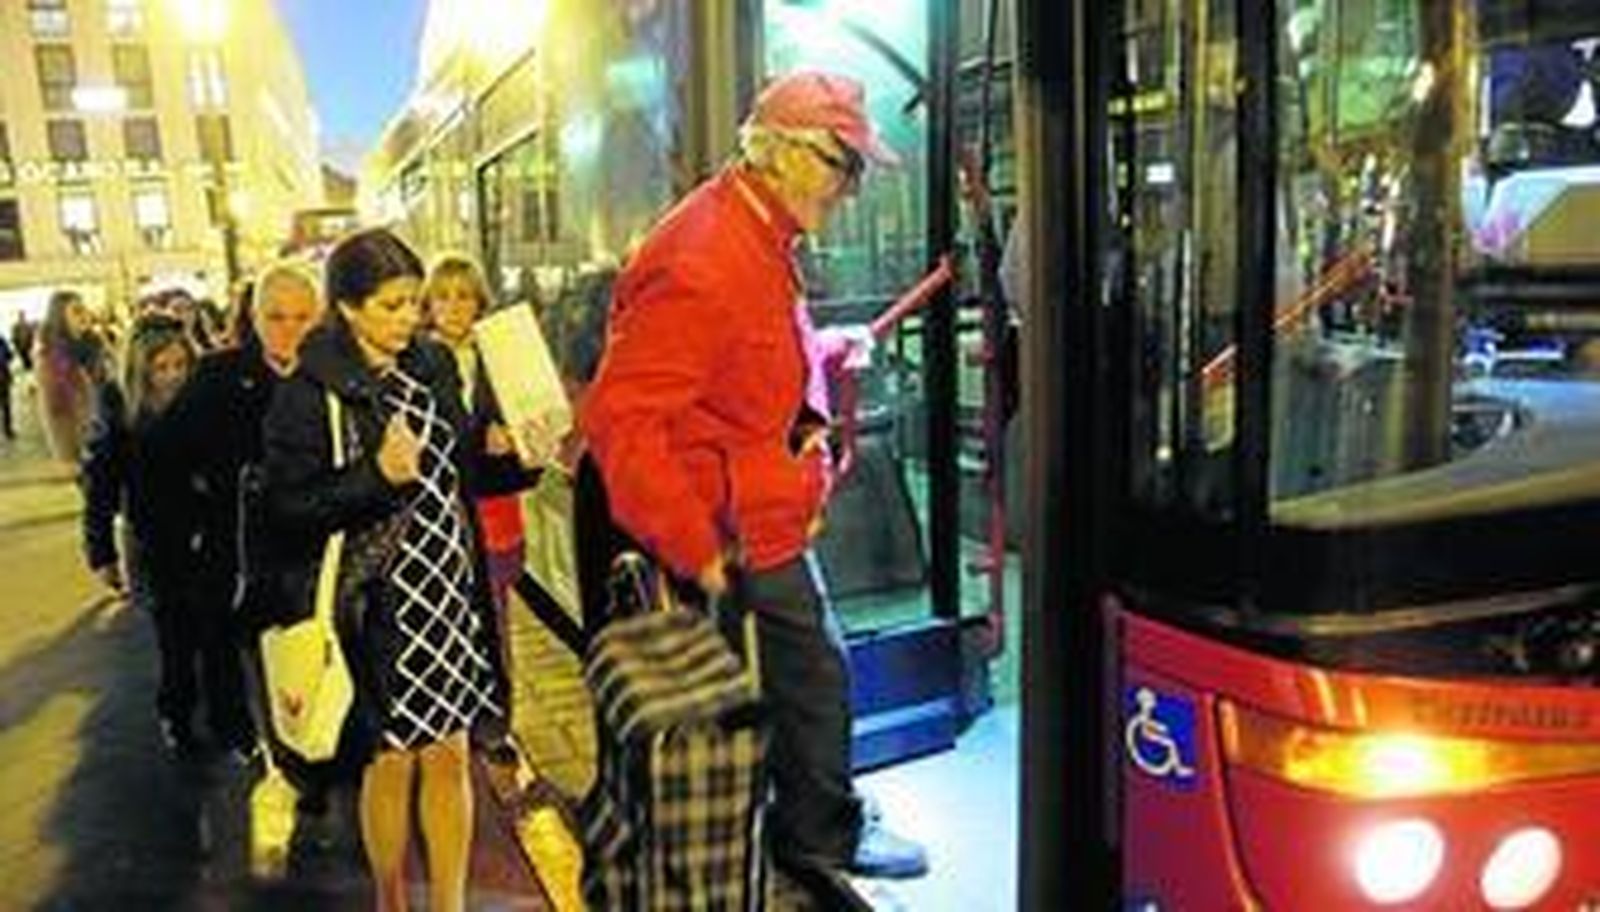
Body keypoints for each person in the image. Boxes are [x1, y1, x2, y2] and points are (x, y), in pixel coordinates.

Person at [581, 69, 929, 880]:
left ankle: (795, 817)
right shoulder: (705, 257)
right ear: (786, 153)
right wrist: (697, 548)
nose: (851, 188)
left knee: (799, 680)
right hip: (736, 531)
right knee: (814, 679)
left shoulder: (753, 232)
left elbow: (745, 366)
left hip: (761, 514)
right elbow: (620, 422)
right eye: (844, 164)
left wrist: (830, 349)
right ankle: (819, 836)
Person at [262, 228, 536, 912]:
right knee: (390, 763)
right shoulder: (310, 391)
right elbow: (285, 511)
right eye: (392, 305)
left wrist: (509, 454)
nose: (410, 317)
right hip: (379, 604)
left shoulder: (432, 365)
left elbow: (464, 471)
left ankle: (447, 903)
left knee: (450, 754)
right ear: (348, 307)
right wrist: (374, 477)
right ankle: (392, 899)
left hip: (450, 593)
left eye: (414, 301)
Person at [166, 260, 325, 772]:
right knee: (234, 654)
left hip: (312, 552)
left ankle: (307, 751)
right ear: (254, 319)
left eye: (302, 317)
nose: (290, 330)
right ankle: (242, 735)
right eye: (276, 317)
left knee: (305, 658)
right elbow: (165, 460)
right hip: (233, 553)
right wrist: (191, 532)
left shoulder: (332, 375)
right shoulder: (217, 377)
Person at [81, 315, 225, 754]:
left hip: (207, 531)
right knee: (175, 638)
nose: (173, 375)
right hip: (156, 541)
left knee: (215, 632)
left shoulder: (202, 401)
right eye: (161, 368)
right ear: (141, 371)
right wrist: (101, 552)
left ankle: (225, 718)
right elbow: (101, 485)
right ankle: (176, 715)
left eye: (180, 364)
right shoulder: (119, 410)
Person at [421, 253, 541, 765]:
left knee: (495, 623)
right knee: (451, 623)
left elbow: (534, 455)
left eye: (464, 295)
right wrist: (478, 440)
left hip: (495, 515)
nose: (453, 306)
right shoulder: (415, 361)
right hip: (441, 519)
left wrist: (517, 447)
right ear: (428, 304)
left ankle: (494, 723)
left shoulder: (504, 358)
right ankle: (454, 718)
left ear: (480, 302)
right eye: (443, 296)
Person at [34, 290, 106, 466]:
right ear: (60, 318)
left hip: (101, 432)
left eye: (84, 309)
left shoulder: (92, 345)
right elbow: (56, 413)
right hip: (77, 445)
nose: (84, 315)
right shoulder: (52, 357)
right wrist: (71, 457)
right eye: (77, 311)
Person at [0, 333, 14, 440]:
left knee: (6, 405)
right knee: (6, 405)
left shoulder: (2, 340)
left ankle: (8, 430)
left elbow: (9, 356)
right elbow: (9, 356)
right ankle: (7, 430)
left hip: (3, 376)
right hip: (3, 376)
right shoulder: (2, 340)